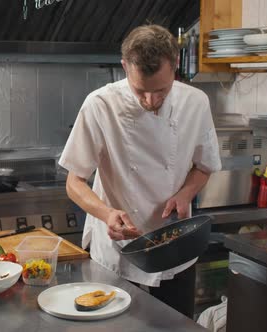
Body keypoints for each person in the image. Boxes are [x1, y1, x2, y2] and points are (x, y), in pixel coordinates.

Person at [58, 24, 222, 318]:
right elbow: (74, 182)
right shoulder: (100, 105)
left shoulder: (196, 102)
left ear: (175, 66)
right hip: (120, 249)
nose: (150, 101)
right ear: (125, 66)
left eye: (161, 90)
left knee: (176, 325)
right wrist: (106, 214)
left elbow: (205, 166)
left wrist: (186, 194)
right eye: (140, 91)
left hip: (174, 244)